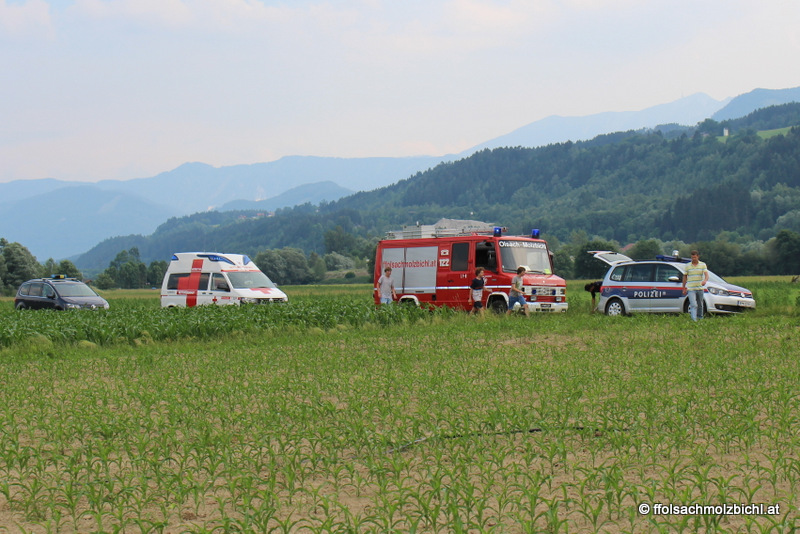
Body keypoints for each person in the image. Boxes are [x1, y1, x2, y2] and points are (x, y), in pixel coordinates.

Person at [682, 250, 709, 321]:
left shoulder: (702, 265)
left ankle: (700, 317)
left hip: (699, 288)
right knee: (693, 304)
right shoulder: (687, 266)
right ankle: (694, 320)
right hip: (691, 288)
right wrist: (684, 287)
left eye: (695, 257)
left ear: (698, 257)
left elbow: (706, 275)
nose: (693, 259)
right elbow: (685, 277)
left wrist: (705, 280)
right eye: (692, 257)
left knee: (700, 304)